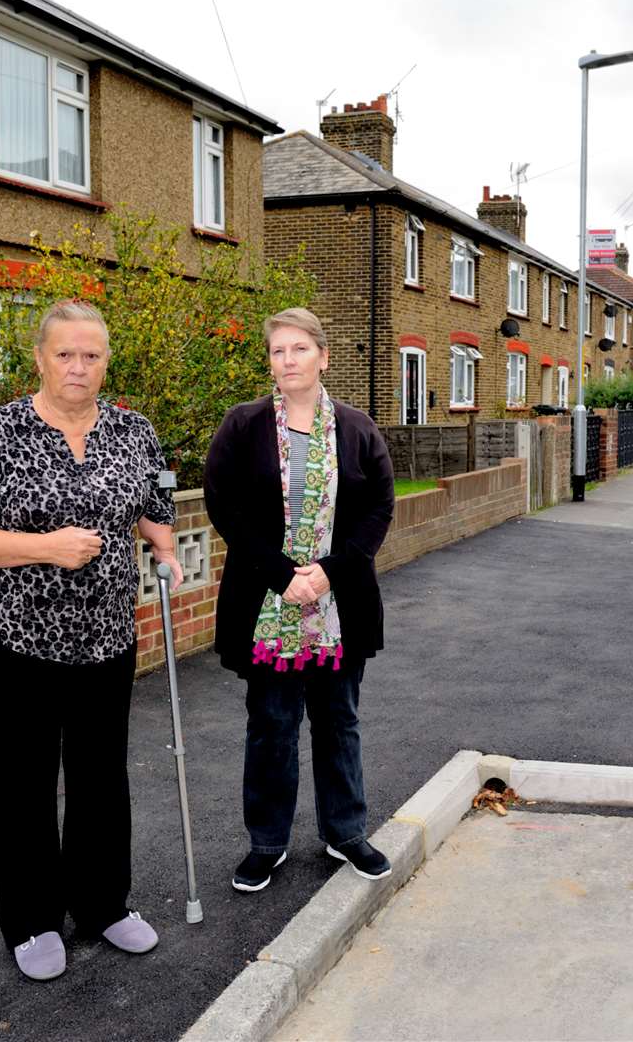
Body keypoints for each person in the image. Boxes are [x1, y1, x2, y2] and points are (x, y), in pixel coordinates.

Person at [0, 299, 178, 982]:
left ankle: (103, 904)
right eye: (65, 354)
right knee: (24, 782)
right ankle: (33, 919)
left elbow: (154, 508)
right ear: (40, 358)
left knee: (102, 777)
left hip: (106, 636)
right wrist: (43, 546)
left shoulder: (134, 432)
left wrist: (163, 548)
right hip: (15, 639)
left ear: (106, 362)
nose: (78, 366)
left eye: (91, 355)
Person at [204, 307, 396, 894]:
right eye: (278, 351)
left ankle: (346, 831)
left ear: (323, 356)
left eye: (299, 349)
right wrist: (283, 574)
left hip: (337, 604)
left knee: (339, 721)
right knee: (271, 725)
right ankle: (266, 843)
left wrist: (329, 573)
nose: (288, 361)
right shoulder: (244, 426)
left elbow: (377, 509)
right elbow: (224, 504)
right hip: (269, 600)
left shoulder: (359, 430)